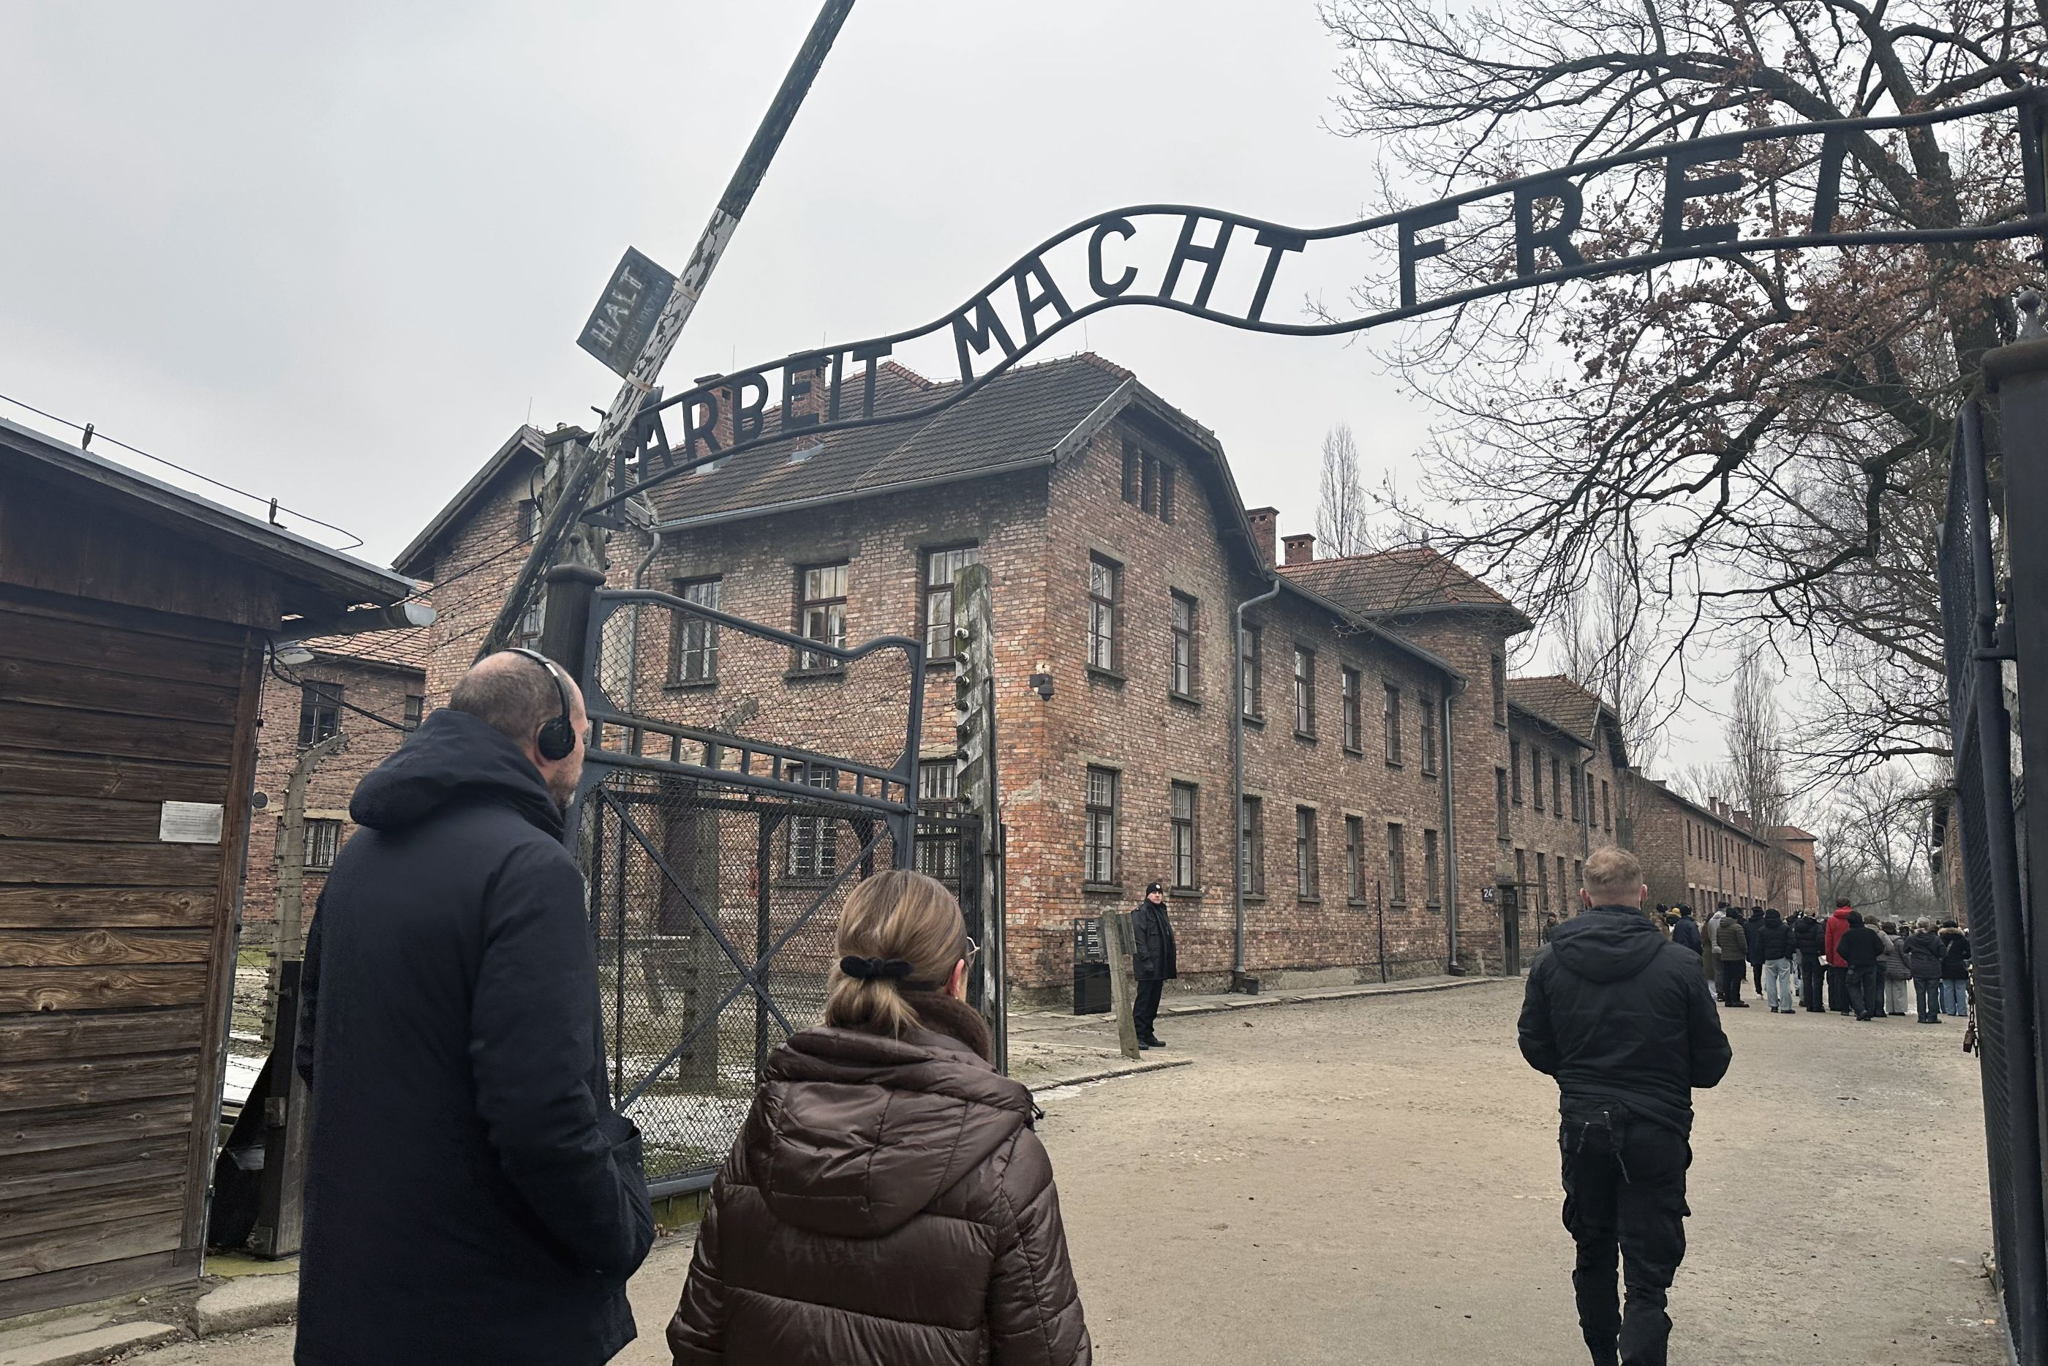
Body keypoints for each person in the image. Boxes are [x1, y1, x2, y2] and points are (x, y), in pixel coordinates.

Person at [296, 650, 654, 1366]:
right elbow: (541, 1111)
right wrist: (620, 1232)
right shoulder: (531, 870)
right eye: (584, 731)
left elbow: (312, 1046)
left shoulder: (359, 857)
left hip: (359, 1292)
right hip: (491, 1306)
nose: (584, 752)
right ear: (551, 739)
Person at [667, 869, 1090, 1366]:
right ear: (958, 978)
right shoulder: (1004, 1160)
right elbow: (1045, 1350)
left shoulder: (766, 1128)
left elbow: (700, 1335)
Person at [1518, 846, 1732, 1366]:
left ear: (1584, 897)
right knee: (1648, 1265)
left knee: (1592, 1247)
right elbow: (1710, 1063)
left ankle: (1601, 1357)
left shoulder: (1549, 962)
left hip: (1585, 1124)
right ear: (1641, 896)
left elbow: (1534, 1043)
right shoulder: (1679, 965)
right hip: (1656, 1128)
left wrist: (1578, 1077)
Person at [1131, 881, 1178, 1050]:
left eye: (1159, 893)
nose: (1157, 895)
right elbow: (1139, 940)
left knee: (1154, 1001)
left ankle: (1148, 1033)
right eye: (1153, 893)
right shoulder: (1141, 913)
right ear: (1147, 895)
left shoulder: (1161, 912)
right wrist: (1146, 961)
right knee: (1144, 1000)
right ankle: (1138, 1034)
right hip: (1147, 965)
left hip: (1160, 965)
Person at [1838, 911, 1885, 1021]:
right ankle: (1869, 1010)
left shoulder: (1848, 934)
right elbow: (1880, 947)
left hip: (1854, 964)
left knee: (1852, 985)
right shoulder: (1870, 933)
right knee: (1870, 988)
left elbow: (1841, 949)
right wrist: (1873, 955)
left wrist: (1849, 958)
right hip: (1870, 964)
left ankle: (1860, 1009)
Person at [1903, 919, 1945, 1024]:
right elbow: (1943, 952)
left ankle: (1921, 1016)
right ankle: (1932, 1016)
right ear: (1928, 926)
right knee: (1933, 993)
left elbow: (1905, 949)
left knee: (1920, 993)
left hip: (1918, 967)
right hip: (1933, 967)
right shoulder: (1935, 939)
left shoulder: (1912, 938)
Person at [1755, 909, 1795, 1014]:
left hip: (1769, 958)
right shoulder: (1785, 928)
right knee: (1784, 982)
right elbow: (1791, 942)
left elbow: (1759, 946)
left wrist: (1763, 957)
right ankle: (1786, 1006)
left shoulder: (1762, 930)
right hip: (1782, 957)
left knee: (1770, 983)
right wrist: (1788, 954)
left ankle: (1773, 1005)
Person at [1823, 899, 1856, 1015]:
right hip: (1854, 955)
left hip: (1838, 955)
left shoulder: (1832, 920)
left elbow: (1828, 941)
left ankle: (1844, 1007)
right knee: (1855, 982)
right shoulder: (1855, 918)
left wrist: (1829, 958)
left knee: (1841, 983)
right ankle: (1857, 1005)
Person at [1790, 909, 1826, 1012]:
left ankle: (1808, 1003)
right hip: (1815, 955)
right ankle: (1817, 1004)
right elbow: (1821, 941)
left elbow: (1795, 940)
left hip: (1804, 954)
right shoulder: (1817, 927)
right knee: (1817, 980)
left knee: (1806, 979)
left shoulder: (1798, 926)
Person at [1714, 906, 1749, 1007]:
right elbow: (1743, 943)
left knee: (1727, 978)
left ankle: (1728, 999)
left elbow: (1718, 942)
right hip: (1737, 956)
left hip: (1725, 956)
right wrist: (1745, 951)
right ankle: (1735, 999)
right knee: (1736, 978)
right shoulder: (1737, 927)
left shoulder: (1720, 927)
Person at [1879, 920, 1912, 1017]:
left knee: (1888, 989)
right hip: (1899, 968)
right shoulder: (1899, 941)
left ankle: (1890, 1008)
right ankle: (1899, 1009)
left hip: (1885, 967)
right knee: (1899, 989)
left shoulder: (1881, 940)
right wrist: (1910, 967)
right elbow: (1905, 956)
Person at [1939, 921, 1972, 1018]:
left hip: (1945, 966)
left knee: (1948, 989)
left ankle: (1950, 1011)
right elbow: (1969, 952)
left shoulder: (1941, 939)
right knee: (1960, 989)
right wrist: (1962, 956)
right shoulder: (1962, 938)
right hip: (1959, 965)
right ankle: (1962, 1011)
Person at [1746, 909, 1769, 995]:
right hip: (1765, 949)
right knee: (1769, 970)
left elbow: (1746, 938)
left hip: (1753, 949)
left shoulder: (1748, 924)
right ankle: (1768, 987)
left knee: (1756, 971)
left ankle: (1758, 990)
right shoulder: (1765, 923)